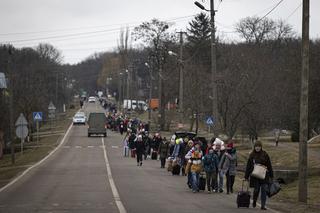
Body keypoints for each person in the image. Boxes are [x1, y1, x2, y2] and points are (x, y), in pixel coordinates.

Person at [245, 141, 273, 210]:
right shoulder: (252, 155)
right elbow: (248, 166)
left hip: (264, 175)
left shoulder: (265, 154)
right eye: (256, 146)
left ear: (261, 147)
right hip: (255, 176)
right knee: (256, 190)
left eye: (259, 146)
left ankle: (263, 205)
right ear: (254, 147)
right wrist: (246, 176)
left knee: (264, 190)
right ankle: (254, 200)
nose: (257, 148)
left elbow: (269, 165)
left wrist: (271, 175)